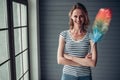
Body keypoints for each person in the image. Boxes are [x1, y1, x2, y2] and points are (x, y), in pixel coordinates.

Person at [57, 2, 97, 80]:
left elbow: (93, 63)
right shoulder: (63, 35)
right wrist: (84, 62)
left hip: (85, 76)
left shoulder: (91, 36)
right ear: (71, 16)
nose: (78, 19)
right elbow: (60, 60)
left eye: (81, 16)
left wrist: (70, 57)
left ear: (85, 17)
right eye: (75, 16)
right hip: (67, 75)